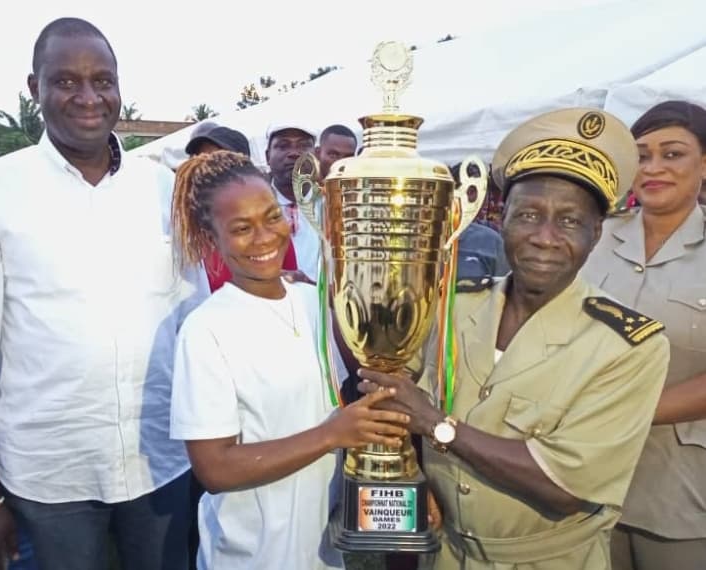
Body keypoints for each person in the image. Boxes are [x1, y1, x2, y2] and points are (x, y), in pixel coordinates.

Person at [358, 108, 670, 570]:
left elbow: (565, 487)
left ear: (595, 234)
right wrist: (407, 481)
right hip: (442, 553)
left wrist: (437, 425)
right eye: (528, 215)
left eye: (568, 221)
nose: (544, 238)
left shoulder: (629, 346)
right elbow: (398, 409)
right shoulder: (450, 307)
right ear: (500, 220)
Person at [0, 17, 208, 570]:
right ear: (34, 87)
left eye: (102, 80)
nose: (88, 97)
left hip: (160, 459)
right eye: (66, 81)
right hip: (47, 472)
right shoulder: (0, 191)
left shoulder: (164, 189)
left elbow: (198, 321)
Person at [168, 150, 410, 570]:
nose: (264, 237)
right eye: (241, 228)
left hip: (322, 550)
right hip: (253, 555)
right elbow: (214, 468)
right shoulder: (206, 329)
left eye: (272, 217)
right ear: (214, 240)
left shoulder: (312, 299)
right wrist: (331, 435)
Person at [581, 100, 706, 570]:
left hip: (682, 492)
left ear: (704, 163)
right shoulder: (592, 239)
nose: (654, 168)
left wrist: (624, 413)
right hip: (583, 478)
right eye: (641, 155)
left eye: (672, 154)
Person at [183, 124, 298, 291]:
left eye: (218, 162)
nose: (206, 171)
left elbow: (288, 282)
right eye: (199, 160)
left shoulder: (273, 234)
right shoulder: (179, 235)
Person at [265, 123, 321, 280]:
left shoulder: (334, 209)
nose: (294, 153)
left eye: (303, 146)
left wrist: (309, 286)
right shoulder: (249, 209)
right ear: (267, 156)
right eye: (283, 146)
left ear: (315, 155)